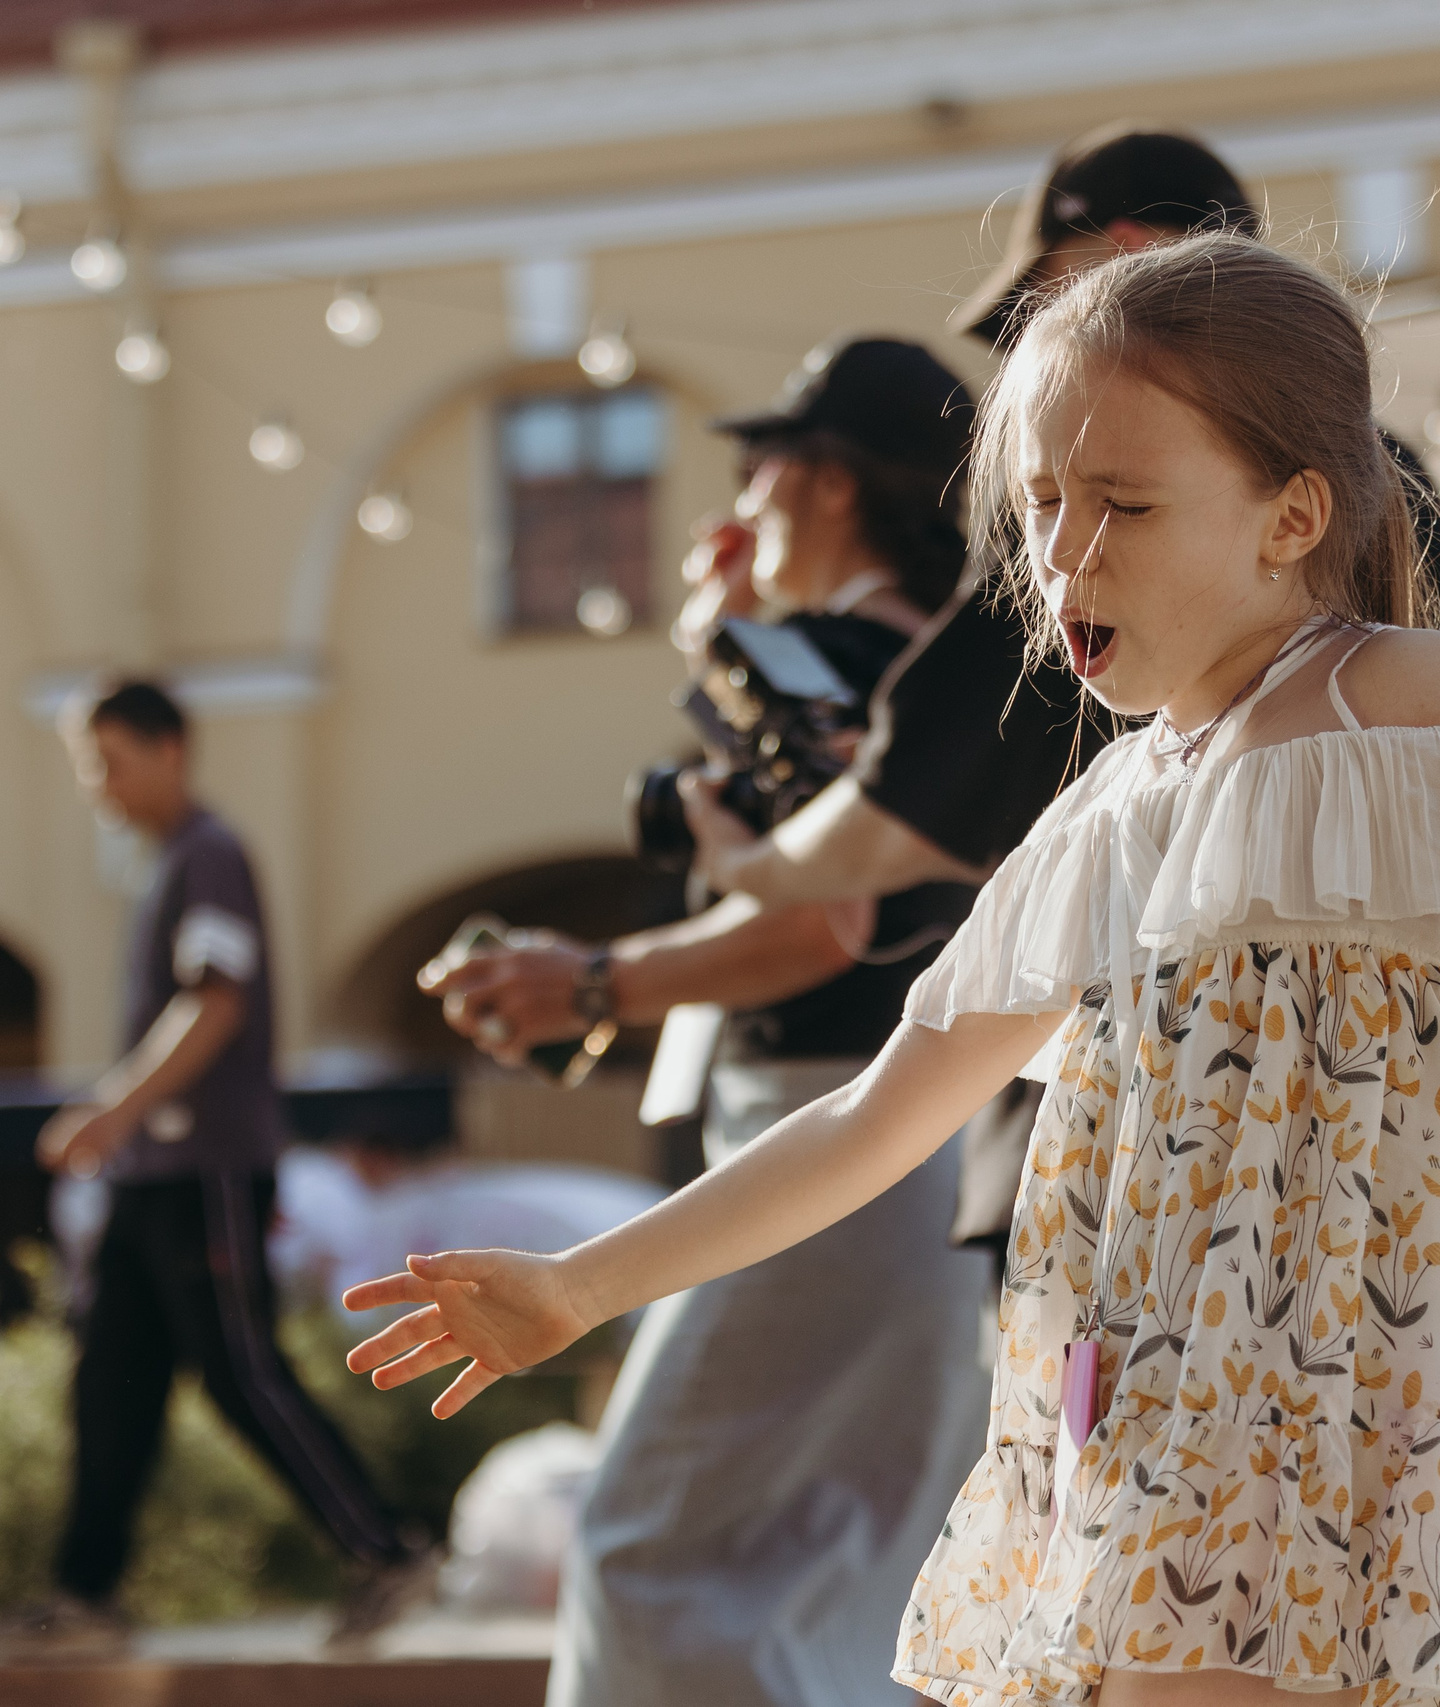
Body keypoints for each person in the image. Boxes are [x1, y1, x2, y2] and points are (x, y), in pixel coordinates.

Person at [349, 234, 1440, 1705]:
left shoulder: (1401, 698)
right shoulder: (1105, 818)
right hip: (1152, 1401)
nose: (1067, 557)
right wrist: (582, 1285)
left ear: (1291, 514)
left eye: (1122, 504)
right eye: (1041, 507)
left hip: (1379, 1381)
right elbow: (871, 1120)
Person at [687, 123, 1440, 1255]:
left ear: (1123, 259)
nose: (1063, 549)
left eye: (1047, 304)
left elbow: (914, 792)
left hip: (1133, 1150)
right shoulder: (1387, 487)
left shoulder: (1096, 537)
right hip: (1391, 1144)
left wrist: (749, 863)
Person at [428, 338, 998, 1707]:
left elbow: (819, 921)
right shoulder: (960, 679)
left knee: (642, 1553)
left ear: (828, 483)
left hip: (826, 1139)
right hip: (947, 1152)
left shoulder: (819, 656)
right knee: (863, 1579)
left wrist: (592, 981)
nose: (738, 494)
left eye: (762, 462)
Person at [3, 681, 433, 1648]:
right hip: (148, 1181)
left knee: (241, 1370)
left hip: (209, 1173)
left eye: (109, 761)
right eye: (87, 767)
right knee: (111, 1376)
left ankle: (389, 1552)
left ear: (171, 751)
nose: (97, 787)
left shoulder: (211, 857)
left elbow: (216, 1001)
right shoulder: (165, 867)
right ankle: (85, 1590)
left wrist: (111, 1110)